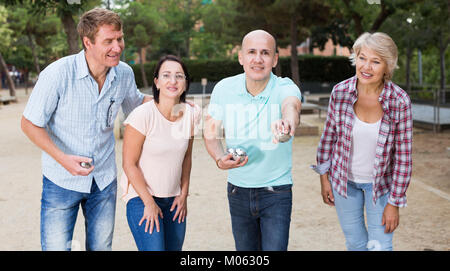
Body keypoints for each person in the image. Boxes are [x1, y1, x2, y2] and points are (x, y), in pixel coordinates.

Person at [20, 8, 152, 251]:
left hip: (103, 180)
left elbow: (136, 103)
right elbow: (29, 123)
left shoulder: (124, 73)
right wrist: (63, 159)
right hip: (60, 180)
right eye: (109, 41)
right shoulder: (57, 74)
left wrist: (172, 100)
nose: (118, 47)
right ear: (88, 42)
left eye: (120, 38)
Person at [312, 32, 412, 251]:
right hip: (343, 183)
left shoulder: (399, 100)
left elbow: (404, 158)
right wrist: (324, 179)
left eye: (376, 61)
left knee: (380, 246)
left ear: (388, 66)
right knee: (356, 244)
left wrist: (394, 203)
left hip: (382, 186)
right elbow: (328, 139)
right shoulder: (340, 92)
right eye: (362, 58)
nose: (366, 67)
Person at [203, 30, 302, 251]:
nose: (258, 59)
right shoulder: (224, 88)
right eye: (251, 52)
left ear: (275, 59)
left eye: (265, 53)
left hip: (277, 192)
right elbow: (210, 132)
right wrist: (220, 158)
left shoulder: (285, 87)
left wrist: (286, 124)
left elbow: (291, 107)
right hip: (237, 191)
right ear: (241, 57)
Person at [121, 55, 200, 251]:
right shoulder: (142, 115)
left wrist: (183, 194)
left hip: (174, 199)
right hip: (141, 197)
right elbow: (129, 164)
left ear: (186, 83)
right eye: (166, 75)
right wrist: (149, 203)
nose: (173, 81)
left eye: (179, 76)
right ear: (156, 82)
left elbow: (187, 158)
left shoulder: (191, 114)